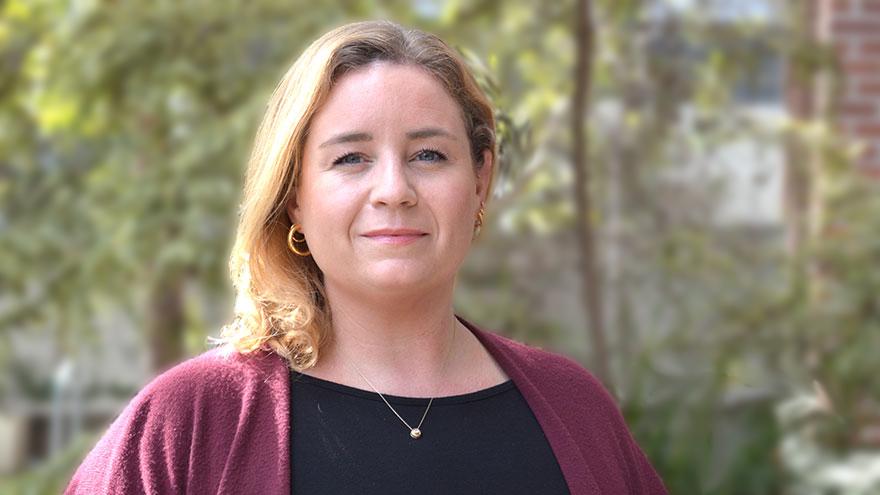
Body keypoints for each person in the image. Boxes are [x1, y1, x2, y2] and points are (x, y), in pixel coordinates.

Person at [65, 20, 666, 494]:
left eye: (429, 155)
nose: (393, 189)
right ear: (294, 197)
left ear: (481, 180)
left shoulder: (576, 411)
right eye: (350, 158)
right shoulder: (189, 424)